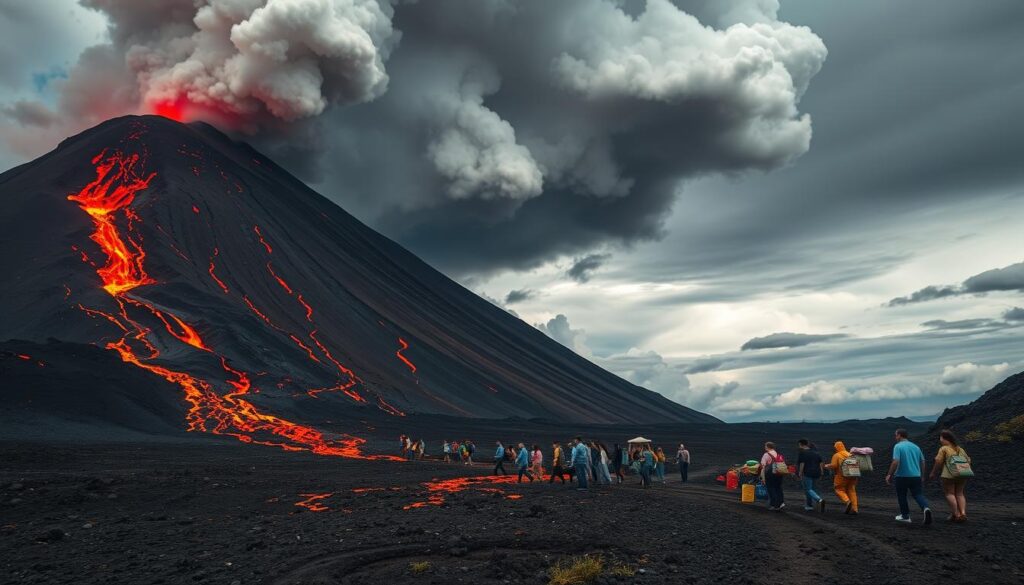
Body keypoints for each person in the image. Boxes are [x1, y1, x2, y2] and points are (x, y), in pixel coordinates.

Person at [886, 428, 932, 525]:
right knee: (918, 494)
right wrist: (922, 475)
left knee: (902, 495)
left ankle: (905, 516)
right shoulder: (916, 447)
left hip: (901, 476)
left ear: (899, 435)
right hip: (916, 476)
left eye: (896, 435)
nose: (895, 437)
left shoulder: (898, 446)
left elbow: (895, 461)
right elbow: (923, 462)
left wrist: (889, 474)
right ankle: (926, 508)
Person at [929, 430, 971, 522]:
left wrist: (933, 472)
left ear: (945, 438)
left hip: (948, 475)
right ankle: (963, 513)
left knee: (950, 493)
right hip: (962, 473)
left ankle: (956, 514)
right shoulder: (960, 449)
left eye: (941, 438)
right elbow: (968, 460)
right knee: (960, 493)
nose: (940, 440)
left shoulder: (944, 448)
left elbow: (938, 461)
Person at [825, 441, 858, 514]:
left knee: (839, 489)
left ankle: (847, 501)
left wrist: (827, 466)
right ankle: (855, 509)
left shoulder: (836, 455)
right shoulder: (850, 454)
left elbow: (834, 465)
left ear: (836, 447)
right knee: (851, 491)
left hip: (841, 476)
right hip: (853, 475)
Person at [796, 439, 826, 513]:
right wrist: (821, 472)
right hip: (817, 473)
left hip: (807, 473)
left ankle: (819, 500)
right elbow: (821, 463)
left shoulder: (802, 453)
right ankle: (809, 506)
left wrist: (800, 473)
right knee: (812, 489)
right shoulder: (816, 452)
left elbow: (802, 463)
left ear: (800, 444)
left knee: (807, 489)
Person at [758, 442, 786, 511]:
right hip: (779, 472)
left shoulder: (766, 454)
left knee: (771, 488)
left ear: (767, 447)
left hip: (770, 474)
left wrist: (762, 477)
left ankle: (774, 505)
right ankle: (781, 503)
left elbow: (763, 466)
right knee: (778, 488)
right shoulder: (777, 454)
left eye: (765, 446)